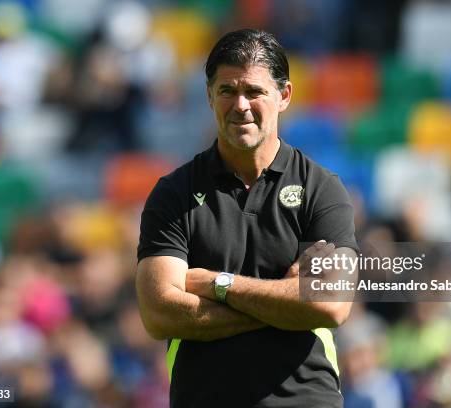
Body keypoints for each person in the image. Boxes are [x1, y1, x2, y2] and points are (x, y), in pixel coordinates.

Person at [136, 28, 359, 408]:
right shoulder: (173, 193)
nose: (240, 105)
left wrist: (215, 283)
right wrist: (284, 303)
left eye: (254, 91)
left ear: (284, 95)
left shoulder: (322, 189)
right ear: (209, 96)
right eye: (227, 91)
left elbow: (330, 305)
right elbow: (158, 313)